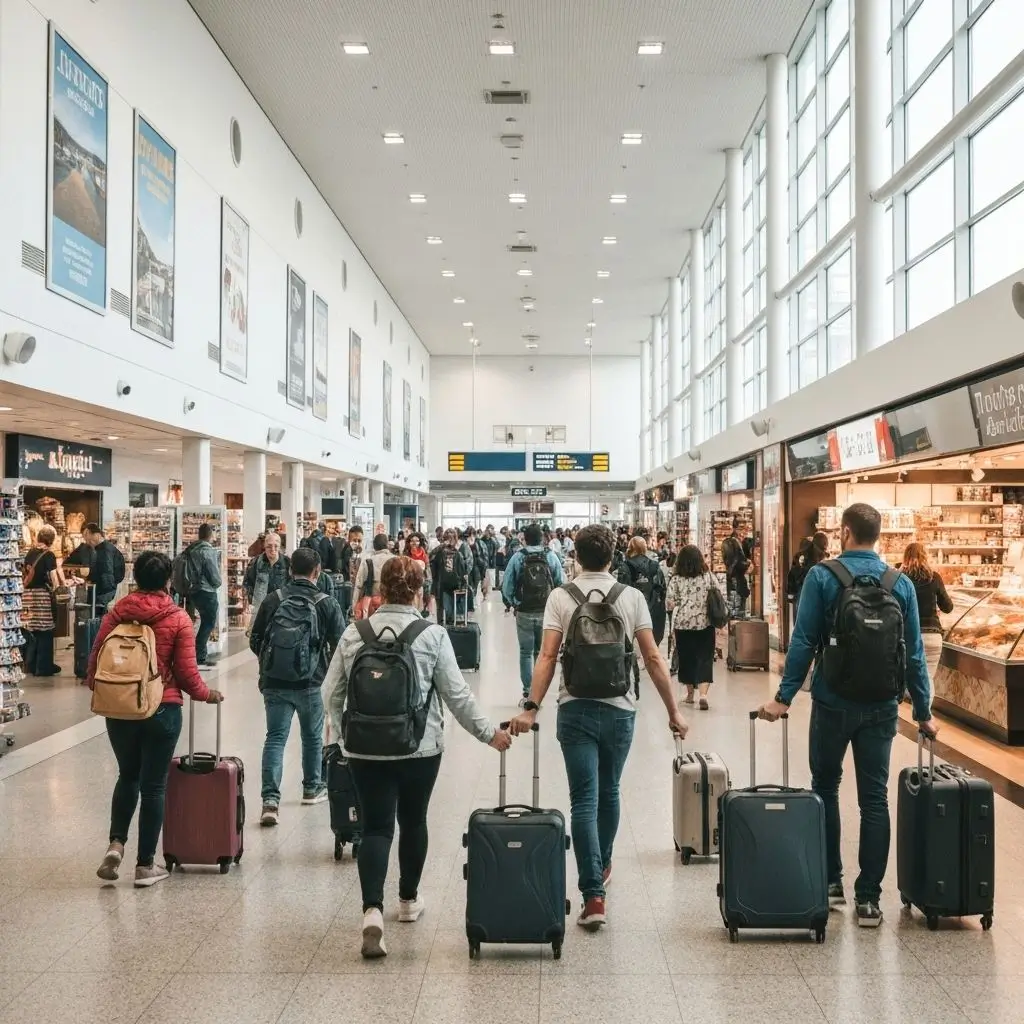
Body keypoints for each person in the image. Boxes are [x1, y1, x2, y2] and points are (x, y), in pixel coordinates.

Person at [757, 503, 937, 929]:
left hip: (832, 701)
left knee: (825, 787)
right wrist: (924, 712)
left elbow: (803, 641)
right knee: (874, 799)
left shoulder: (823, 577)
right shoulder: (900, 584)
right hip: (881, 707)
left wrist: (784, 698)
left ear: (845, 532)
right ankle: (869, 899)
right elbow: (914, 655)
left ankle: (831, 881)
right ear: (878, 535)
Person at [322, 556, 511, 958]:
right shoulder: (432, 635)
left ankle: (372, 910)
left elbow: (330, 692)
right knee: (413, 820)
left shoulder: (355, 633)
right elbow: (457, 695)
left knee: (375, 828)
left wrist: (342, 736)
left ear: (381, 589)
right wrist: (489, 734)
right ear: (420, 592)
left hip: (364, 748)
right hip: (419, 748)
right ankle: (408, 900)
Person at [510, 524, 689, 932]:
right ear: (612, 557)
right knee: (609, 792)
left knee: (583, 801)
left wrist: (531, 707)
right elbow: (653, 658)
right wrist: (673, 711)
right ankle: (602, 863)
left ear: (576, 555)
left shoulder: (561, 596)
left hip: (574, 708)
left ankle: (593, 895)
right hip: (620, 708)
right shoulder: (631, 597)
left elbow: (547, 657)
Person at [88, 550, 224, 888]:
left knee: (128, 776)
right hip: (162, 709)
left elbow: (94, 666)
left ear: (135, 577)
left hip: (120, 709)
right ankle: (145, 865)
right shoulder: (177, 618)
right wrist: (208, 694)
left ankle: (116, 845)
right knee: (153, 786)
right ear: (168, 580)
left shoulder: (116, 613)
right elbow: (188, 676)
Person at [249, 547, 343, 826]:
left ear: (290, 571)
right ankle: (312, 788)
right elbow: (341, 646)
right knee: (312, 737)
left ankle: (270, 801)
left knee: (275, 737)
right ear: (317, 572)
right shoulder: (327, 603)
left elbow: (255, 640)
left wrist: (272, 662)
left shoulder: (273, 599)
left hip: (274, 682)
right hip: (311, 683)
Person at [502, 523, 564, 706]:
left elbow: (507, 585)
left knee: (525, 652)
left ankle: (528, 692)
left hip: (524, 611)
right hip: (546, 611)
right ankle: (539, 691)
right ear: (542, 538)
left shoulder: (518, 557)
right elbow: (561, 582)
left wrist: (514, 603)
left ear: (525, 539)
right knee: (541, 653)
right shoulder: (550, 556)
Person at [666, 545, 721, 709]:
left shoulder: (676, 579)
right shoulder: (708, 576)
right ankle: (703, 695)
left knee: (686, 659)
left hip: (683, 624)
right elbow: (718, 593)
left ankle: (690, 695)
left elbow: (670, 603)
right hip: (705, 623)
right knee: (705, 658)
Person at [619, 537, 667, 697]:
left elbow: (621, 587)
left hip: (631, 606)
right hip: (651, 606)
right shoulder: (654, 565)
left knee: (629, 635)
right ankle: (647, 659)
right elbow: (661, 587)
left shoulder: (626, 565)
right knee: (649, 635)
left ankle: (633, 659)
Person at [900, 542, 953, 680]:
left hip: (909, 636)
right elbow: (948, 607)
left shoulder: (900, 579)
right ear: (925, 556)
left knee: (908, 682)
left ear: (905, 557)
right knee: (928, 681)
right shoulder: (934, 577)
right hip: (932, 636)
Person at [22, 524, 66, 676]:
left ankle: (30, 664)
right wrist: (58, 589)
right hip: (41, 596)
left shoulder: (30, 553)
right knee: (45, 631)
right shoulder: (49, 555)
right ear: (51, 540)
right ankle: (44, 666)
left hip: (27, 596)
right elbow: (53, 576)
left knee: (31, 630)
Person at [183, 523, 222, 667]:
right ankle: (199, 655)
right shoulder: (208, 551)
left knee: (198, 621)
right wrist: (218, 583)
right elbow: (214, 575)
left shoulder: (191, 550)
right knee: (209, 622)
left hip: (192, 591)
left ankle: (194, 653)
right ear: (211, 535)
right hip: (207, 591)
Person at [244, 530, 290, 624]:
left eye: (276, 546)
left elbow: (292, 584)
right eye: (269, 546)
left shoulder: (287, 562)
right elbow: (248, 582)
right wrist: (251, 601)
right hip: (260, 610)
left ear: (280, 546)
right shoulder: (255, 562)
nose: (272, 549)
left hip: (281, 609)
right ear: (264, 546)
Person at [431, 529, 469, 624]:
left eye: (452, 538)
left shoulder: (459, 552)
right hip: (441, 583)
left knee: (450, 609)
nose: (450, 541)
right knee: (441, 607)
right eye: (448, 539)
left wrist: (463, 583)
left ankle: (449, 625)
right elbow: (431, 557)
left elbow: (463, 569)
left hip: (453, 584)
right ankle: (441, 625)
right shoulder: (440, 552)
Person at [84, 522, 125, 612]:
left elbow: (106, 573)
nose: (86, 540)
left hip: (103, 594)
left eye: (86, 535)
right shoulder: (102, 549)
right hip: (104, 592)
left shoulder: (105, 550)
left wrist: (102, 597)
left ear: (95, 534)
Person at [354, 533, 396, 619]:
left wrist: (354, 606)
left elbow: (359, 585)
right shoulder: (395, 560)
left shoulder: (368, 561)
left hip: (371, 603)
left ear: (374, 546)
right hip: (391, 602)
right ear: (387, 545)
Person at [721, 518, 751, 616]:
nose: (743, 531)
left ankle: (738, 615)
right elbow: (733, 561)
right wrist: (747, 564)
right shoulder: (730, 543)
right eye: (740, 528)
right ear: (735, 529)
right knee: (736, 600)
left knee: (739, 599)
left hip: (737, 576)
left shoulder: (741, 542)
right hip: (736, 576)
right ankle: (736, 617)